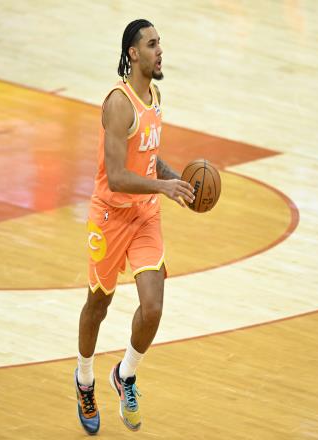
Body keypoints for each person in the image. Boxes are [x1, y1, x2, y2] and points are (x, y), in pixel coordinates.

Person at [74, 19, 195, 435]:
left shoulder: (155, 96)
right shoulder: (118, 104)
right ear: (133, 53)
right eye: (152, 44)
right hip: (110, 216)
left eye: (160, 43)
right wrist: (163, 186)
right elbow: (116, 176)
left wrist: (177, 180)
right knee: (98, 306)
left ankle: (125, 374)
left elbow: (147, 159)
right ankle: (84, 380)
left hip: (144, 214)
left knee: (154, 307)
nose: (160, 51)